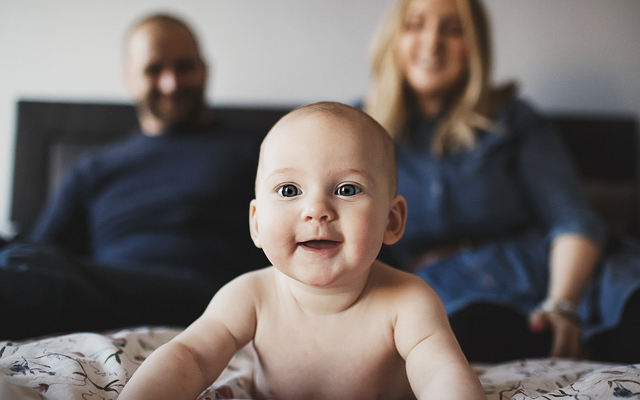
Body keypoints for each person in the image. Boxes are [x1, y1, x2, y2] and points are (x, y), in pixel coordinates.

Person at [118, 102, 486, 400]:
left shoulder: (408, 303)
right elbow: (191, 357)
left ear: (392, 221)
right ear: (257, 223)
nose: (317, 210)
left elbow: (441, 373)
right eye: (290, 190)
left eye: (346, 189)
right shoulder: (250, 297)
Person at [363, 0, 640, 363]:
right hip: (457, 297)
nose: (431, 43)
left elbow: (573, 220)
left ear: (473, 46)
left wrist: (563, 303)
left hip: (565, 274)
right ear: (394, 37)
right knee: (473, 337)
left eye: (454, 29)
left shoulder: (513, 119)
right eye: (415, 25)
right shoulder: (357, 131)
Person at [0, 13, 267, 340]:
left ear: (204, 69)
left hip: (206, 294)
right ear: (128, 79)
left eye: (184, 66)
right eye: (154, 69)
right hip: (105, 287)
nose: (171, 83)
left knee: (29, 273)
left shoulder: (257, 150)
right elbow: (38, 247)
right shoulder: (94, 167)